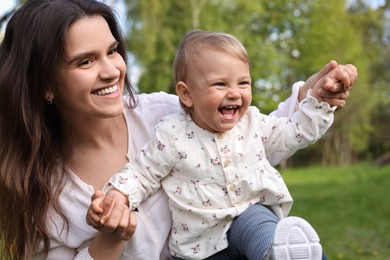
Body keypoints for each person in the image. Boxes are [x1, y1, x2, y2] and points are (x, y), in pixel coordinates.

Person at [0, 0, 357, 260]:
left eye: (112, 51)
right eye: (85, 61)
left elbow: (250, 144)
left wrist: (315, 93)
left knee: (265, 229)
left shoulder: (166, 113)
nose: (111, 71)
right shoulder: (38, 189)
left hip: (235, 241)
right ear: (45, 84)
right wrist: (109, 239)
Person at [87, 30, 355, 260]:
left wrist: (321, 100)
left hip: (248, 215)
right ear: (187, 94)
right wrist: (118, 196)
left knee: (261, 226)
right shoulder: (172, 135)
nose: (234, 93)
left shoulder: (252, 123)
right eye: (220, 84)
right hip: (198, 244)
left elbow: (295, 132)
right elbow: (142, 173)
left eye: (243, 83)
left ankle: (278, 253)